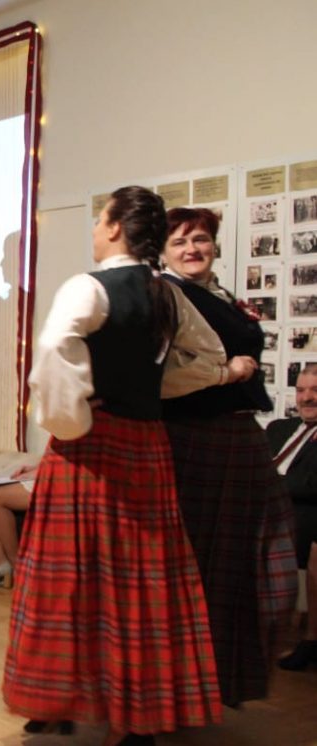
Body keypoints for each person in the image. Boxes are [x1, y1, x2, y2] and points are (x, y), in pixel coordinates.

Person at [3, 187, 228, 746]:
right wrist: (152, 391)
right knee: (140, 587)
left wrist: (71, 416)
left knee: (66, 583)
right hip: (145, 446)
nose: (95, 229)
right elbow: (210, 358)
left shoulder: (89, 286)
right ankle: (133, 719)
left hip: (90, 447)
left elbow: (53, 346)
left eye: (99, 220)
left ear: (113, 227)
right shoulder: (166, 294)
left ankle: (58, 699)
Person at [160, 207, 298, 705]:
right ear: (162, 252)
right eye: (179, 242)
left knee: (259, 562)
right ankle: (180, 688)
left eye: (199, 239)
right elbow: (163, 377)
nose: (191, 249)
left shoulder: (217, 294)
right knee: (199, 568)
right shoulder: (167, 294)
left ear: (215, 245)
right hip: (195, 439)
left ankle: (221, 680)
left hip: (241, 438)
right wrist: (226, 373)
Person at [265, 363, 317, 672]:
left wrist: (270, 484)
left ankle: (310, 639)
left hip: (302, 518)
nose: (306, 397)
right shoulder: (278, 429)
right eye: (300, 390)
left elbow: (312, 486)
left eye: (315, 390)